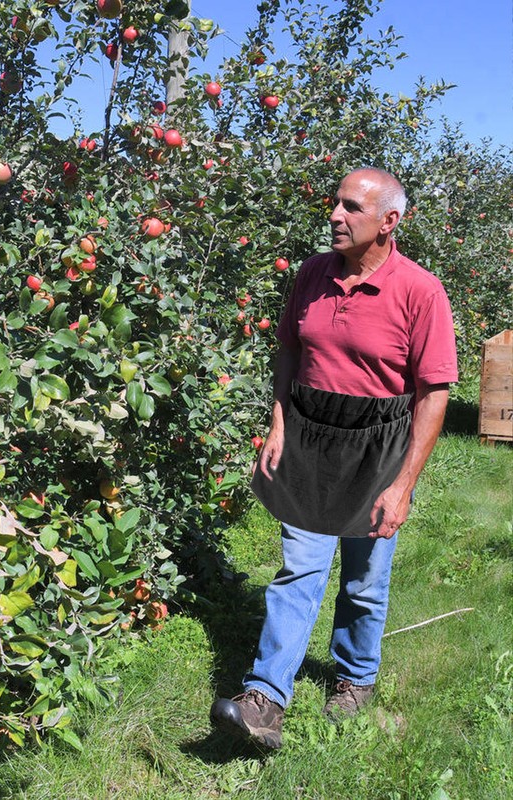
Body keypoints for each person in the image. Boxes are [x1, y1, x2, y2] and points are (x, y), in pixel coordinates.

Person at [210, 167, 458, 750]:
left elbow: (434, 394)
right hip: (312, 438)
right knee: (299, 567)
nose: (336, 216)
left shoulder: (421, 291)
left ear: (389, 221)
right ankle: (265, 697)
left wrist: (402, 485)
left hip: (378, 447)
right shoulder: (312, 275)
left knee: (365, 580)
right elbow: (290, 351)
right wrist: (277, 425)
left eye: (352, 207)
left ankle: (355, 676)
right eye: (335, 204)